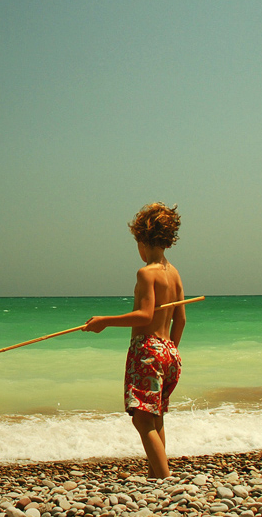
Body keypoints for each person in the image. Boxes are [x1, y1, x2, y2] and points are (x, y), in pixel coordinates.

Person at [83, 202, 186, 478]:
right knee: (155, 417)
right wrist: (170, 348)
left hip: (148, 351)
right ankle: (156, 475)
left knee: (142, 420)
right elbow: (181, 319)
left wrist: (104, 322)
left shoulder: (146, 273)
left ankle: (165, 480)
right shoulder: (174, 274)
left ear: (143, 240)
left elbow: (144, 315)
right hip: (169, 352)